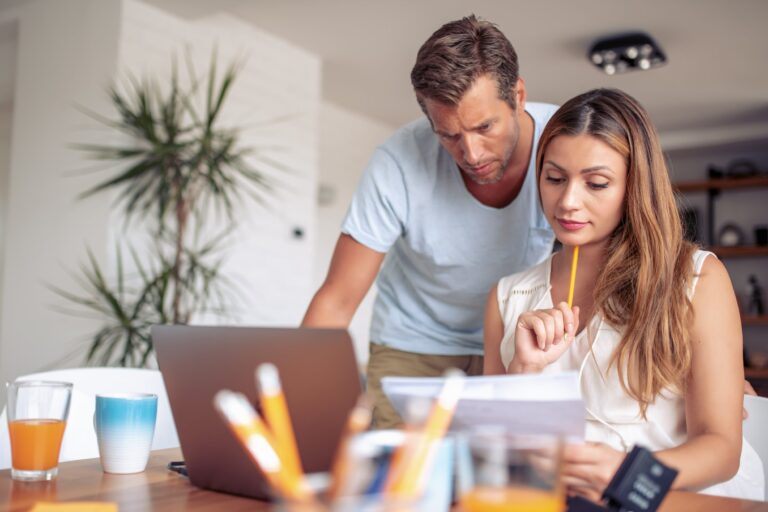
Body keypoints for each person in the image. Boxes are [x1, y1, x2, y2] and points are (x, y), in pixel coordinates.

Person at [483, 88, 764, 501]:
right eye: (554, 178)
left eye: (596, 183)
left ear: (634, 186)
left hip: (681, 501)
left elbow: (722, 450)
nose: (568, 201)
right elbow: (499, 455)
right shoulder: (507, 297)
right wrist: (523, 370)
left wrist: (627, 472)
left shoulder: (697, 279)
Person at [302, 15, 558, 428]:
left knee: (495, 482)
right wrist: (293, 387)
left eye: (484, 127)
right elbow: (338, 298)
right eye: (449, 135)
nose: (471, 153)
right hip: (412, 346)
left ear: (519, 95)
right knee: (396, 485)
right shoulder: (398, 163)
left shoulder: (565, 143)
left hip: (513, 344)